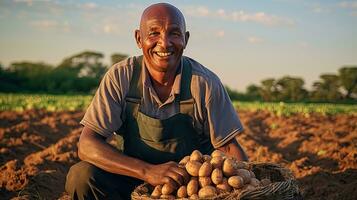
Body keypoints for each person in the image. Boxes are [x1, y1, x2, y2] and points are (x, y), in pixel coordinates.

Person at [65, 3, 248, 200]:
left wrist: (244, 186)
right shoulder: (121, 77)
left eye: (174, 33)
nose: (164, 43)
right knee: (81, 176)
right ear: (138, 38)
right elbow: (87, 144)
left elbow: (229, 149)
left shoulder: (204, 84)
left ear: (185, 39)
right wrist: (147, 171)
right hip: (133, 180)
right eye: (154, 33)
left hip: (190, 189)